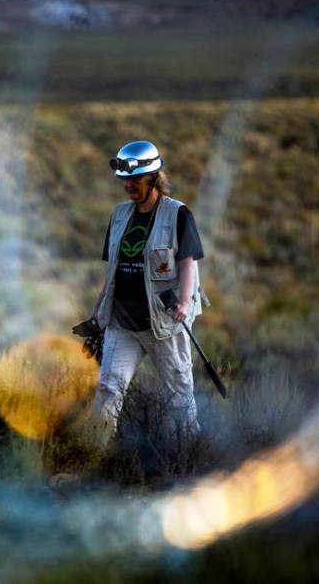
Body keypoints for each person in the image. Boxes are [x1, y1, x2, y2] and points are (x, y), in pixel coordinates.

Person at [90, 140, 205, 438]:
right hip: (123, 322)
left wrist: (183, 304)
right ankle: (94, 457)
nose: (129, 186)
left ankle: (187, 459)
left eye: (135, 180)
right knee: (108, 389)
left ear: (153, 177)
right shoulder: (119, 216)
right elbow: (112, 269)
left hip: (163, 324)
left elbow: (187, 262)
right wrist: (97, 314)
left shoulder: (177, 214)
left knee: (179, 395)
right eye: (125, 180)